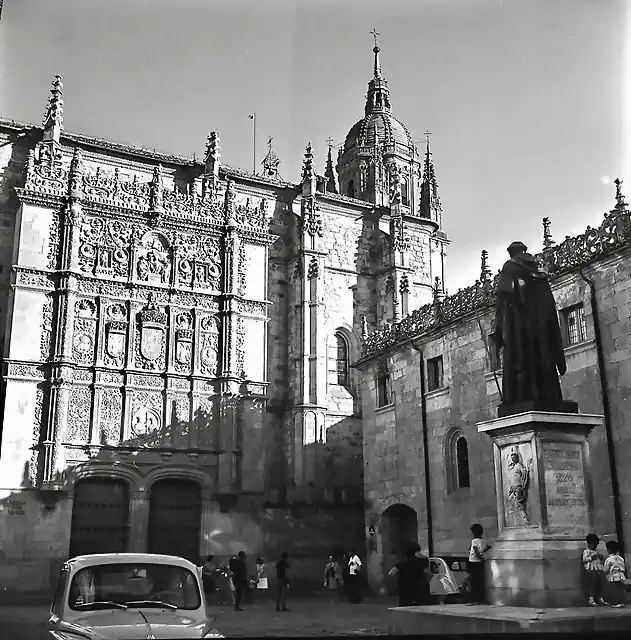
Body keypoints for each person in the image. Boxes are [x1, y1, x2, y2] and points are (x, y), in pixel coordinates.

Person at [495, 241, 568, 411]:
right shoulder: (539, 272)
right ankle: (546, 396)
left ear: (511, 253)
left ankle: (519, 397)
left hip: (520, 328)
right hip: (542, 328)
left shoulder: (510, 267)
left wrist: (499, 329)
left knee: (520, 359)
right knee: (541, 359)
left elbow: (504, 298)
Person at [468, 524, 492, 604]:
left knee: (474, 581)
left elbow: (476, 552)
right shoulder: (483, 541)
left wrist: (481, 559)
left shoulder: (474, 541)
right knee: (480, 581)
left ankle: (475, 599)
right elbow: (485, 549)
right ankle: (481, 598)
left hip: (473, 562)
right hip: (480, 564)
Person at [582, 534, 605, 606]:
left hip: (598, 569)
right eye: (593, 544)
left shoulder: (596, 551)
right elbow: (584, 559)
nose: (594, 546)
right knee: (592, 584)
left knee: (599, 584)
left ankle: (599, 597)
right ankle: (591, 599)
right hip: (591, 570)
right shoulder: (586, 551)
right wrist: (591, 558)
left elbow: (599, 560)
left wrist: (600, 557)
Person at [603, 540, 626, 608]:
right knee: (620, 590)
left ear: (609, 550)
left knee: (614, 590)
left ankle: (615, 602)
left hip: (613, 576)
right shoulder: (621, 558)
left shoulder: (609, 559)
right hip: (621, 575)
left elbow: (606, 569)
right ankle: (621, 602)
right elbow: (623, 567)